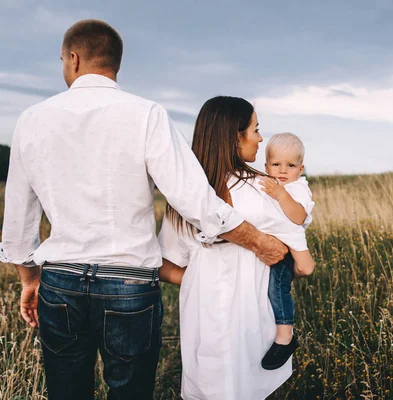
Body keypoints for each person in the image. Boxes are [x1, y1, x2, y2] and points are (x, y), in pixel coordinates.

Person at [0, 20, 286, 400]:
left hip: (61, 281)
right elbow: (194, 198)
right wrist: (257, 240)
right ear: (115, 62)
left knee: (66, 391)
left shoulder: (32, 120)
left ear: (73, 58)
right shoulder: (146, 114)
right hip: (129, 285)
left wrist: (30, 279)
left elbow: (18, 220)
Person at [158, 96, 315, 399]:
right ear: (235, 135)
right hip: (249, 314)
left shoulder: (187, 197)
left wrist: (205, 279)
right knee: (245, 385)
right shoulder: (259, 189)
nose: (259, 138)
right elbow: (293, 247)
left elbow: (167, 265)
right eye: (255, 129)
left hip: (205, 315)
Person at [258, 132, 315, 370]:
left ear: (300, 169)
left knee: (278, 289)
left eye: (290, 165)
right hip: (271, 245)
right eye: (276, 164)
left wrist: (282, 195)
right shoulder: (272, 184)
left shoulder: (297, 189)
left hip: (287, 249)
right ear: (266, 166)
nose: (283, 171)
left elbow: (299, 217)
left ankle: (285, 337)